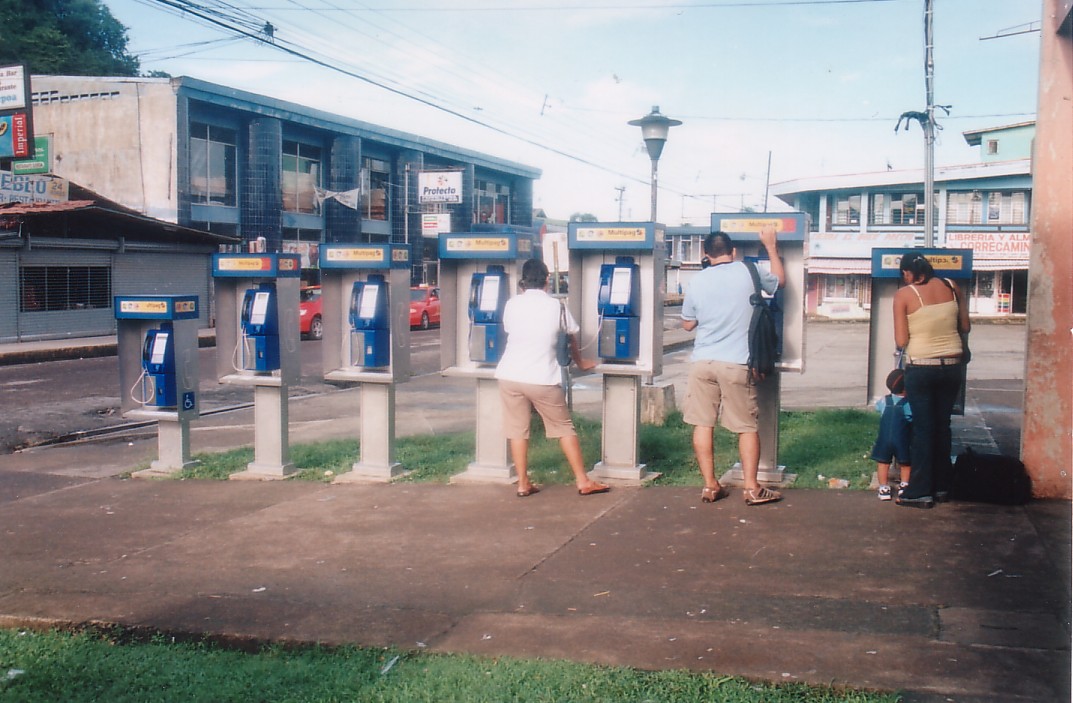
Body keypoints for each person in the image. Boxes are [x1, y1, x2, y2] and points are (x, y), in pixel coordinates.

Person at [680, 225, 786, 506]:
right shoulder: (749, 271)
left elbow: (687, 323)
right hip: (736, 362)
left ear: (706, 254)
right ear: (734, 251)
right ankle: (752, 488)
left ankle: (710, 485)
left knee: (703, 424)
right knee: (746, 426)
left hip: (703, 362)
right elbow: (780, 282)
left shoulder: (697, 281)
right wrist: (771, 247)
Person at [494, 258, 610, 498]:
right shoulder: (557, 306)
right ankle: (583, 481)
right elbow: (571, 335)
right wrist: (581, 362)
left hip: (509, 375)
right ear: (547, 280)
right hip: (541, 377)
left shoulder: (512, 304)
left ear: (522, 282)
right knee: (563, 428)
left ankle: (523, 483)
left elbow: (509, 330)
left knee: (517, 430)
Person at [893, 252, 970, 509]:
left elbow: (902, 341)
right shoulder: (951, 285)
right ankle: (942, 486)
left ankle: (920, 491)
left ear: (908, 272)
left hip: (922, 368)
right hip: (952, 367)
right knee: (941, 426)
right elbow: (965, 326)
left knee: (923, 429)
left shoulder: (904, 295)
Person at [871, 368, 912, 502]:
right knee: (906, 463)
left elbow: (877, 407)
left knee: (883, 463)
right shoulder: (908, 404)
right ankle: (904, 486)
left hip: (884, 439)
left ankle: (883, 488)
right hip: (902, 439)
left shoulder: (884, 401)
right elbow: (912, 418)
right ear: (907, 388)